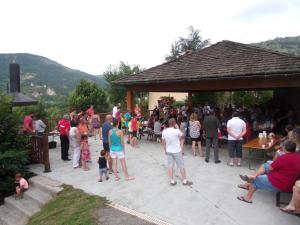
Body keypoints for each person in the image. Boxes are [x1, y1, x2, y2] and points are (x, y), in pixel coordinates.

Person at [162, 118, 193, 186]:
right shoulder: (176, 131)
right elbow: (183, 136)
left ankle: (172, 180)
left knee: (170, 166)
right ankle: (184, 180)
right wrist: (178, 128)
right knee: (181, 165)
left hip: (169, 150)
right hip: (177, 151)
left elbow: (163, 142)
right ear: (174, 124)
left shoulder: (164, 131)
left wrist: (165, 150)